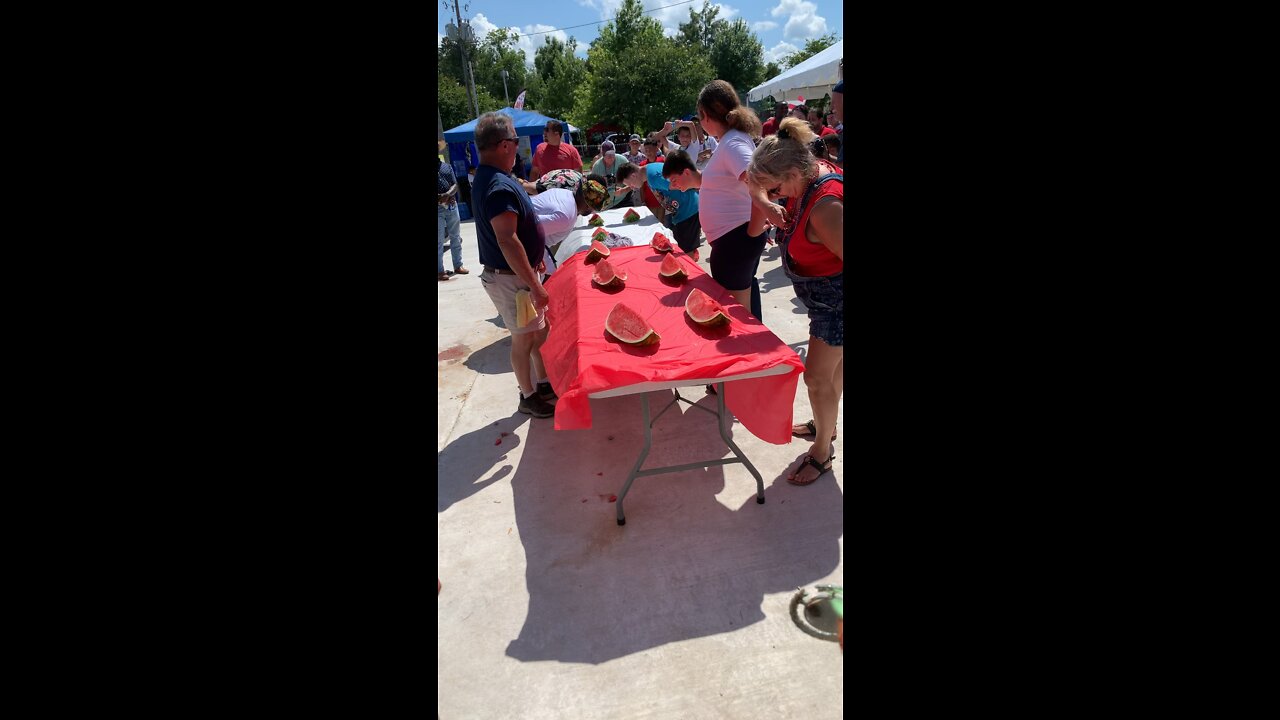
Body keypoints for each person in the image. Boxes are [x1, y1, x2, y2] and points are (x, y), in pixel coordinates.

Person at [747, 117, 843, 486]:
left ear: (791, 172)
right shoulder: (800, 168)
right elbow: (753, 179)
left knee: (817, 379)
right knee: (833, 374)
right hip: (821, 298)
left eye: (777, 189)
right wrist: (766, 204)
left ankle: (822, 451)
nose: (774, 194)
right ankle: (826, 424)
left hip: (836, 300)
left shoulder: (823, 207)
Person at [472, 112, 558, 419]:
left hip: (518, 275)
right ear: (504, 145)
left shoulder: (498, 178)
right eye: (515, 141)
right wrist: (535, 286)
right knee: (523, 339)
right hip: (510, 281)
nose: (518, 147)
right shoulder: (496, 186)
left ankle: (543, 383)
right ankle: (528, 395)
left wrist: (535, 265)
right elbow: (507, 240)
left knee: (537, 332)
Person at [694, 79, 782, 323]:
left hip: (734, 242)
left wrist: (758, 221)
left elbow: (757, 179)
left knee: (737, 320)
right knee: (746, 310)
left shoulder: (732, 142)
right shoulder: (732, 139)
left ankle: (753, 359)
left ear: (705, 114)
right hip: (735, 240)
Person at [648, 150, 704, 261]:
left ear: (686, 173)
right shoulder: (704, 190)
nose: (672, 185)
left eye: (674, 180)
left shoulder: (714, 185)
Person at [437, 155, 469, 281]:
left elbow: (455, 185)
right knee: (439, 240)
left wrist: (447, 194)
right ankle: (440, 270)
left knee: (455, 236)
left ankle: (458, 265)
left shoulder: (446, 167)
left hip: (451, 205)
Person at [591, 140, 632, 210]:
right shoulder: (597, 166)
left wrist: (624, 190)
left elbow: (633, 180)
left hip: (624, 199)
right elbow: (592, 189)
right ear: (603, 155)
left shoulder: (623, 161)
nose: (611, 157)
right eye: (608, 155)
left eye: (613, 154)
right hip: (606, 204)